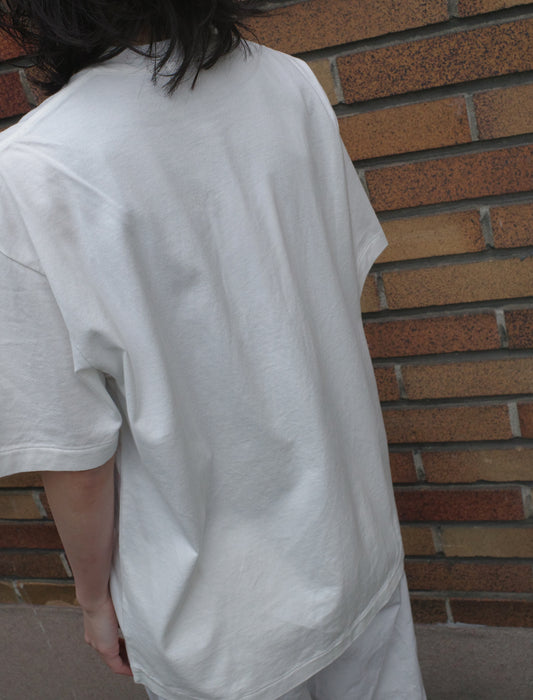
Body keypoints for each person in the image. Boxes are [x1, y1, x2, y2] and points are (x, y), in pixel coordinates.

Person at [0, 2, 426, 699]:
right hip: (351, 540)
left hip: (215, 614)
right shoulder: (286, 83)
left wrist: (93, 600)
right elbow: (329, 290)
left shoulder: (30, 171)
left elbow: (75, 455)